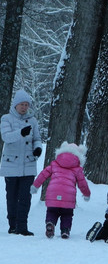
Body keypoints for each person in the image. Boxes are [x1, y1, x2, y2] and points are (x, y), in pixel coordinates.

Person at [0, 89, 42, 236]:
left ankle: (22, 227)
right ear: (16, 105)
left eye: (26, 104)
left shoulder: (33, 120)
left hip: (28, 165)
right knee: (11, 197)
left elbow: (37, 138)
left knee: (25, 197)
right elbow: (6, 137)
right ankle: (13, 226)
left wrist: (37, 149)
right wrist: (20, 133)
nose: (24, 107)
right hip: (11, 165)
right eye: (22, 104)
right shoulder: (6, 118)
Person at [30, 142, 91, 239]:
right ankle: (65, 230)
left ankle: (50, 223)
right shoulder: (77, 169)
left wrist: (35, 186)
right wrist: (86, 194)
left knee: (52, 211)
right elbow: (82, 183)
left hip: (53, 193)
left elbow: (43, 175)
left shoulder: (54, 164)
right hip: (68, 196)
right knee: (67, 214)